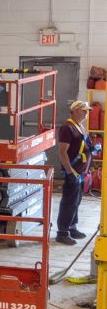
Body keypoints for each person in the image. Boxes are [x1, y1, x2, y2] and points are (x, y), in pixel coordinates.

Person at [55, 99, 93, 245]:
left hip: (81, 172)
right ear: (76, 110)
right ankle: (62, 232)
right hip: (73, 172)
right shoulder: (67, 128)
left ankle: (72, 227)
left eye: (88, 111)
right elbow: (62, 152)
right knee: (69, 202)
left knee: (76, 201)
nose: (86, 114)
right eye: (84, 111)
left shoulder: (80, 127)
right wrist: (70, 172)